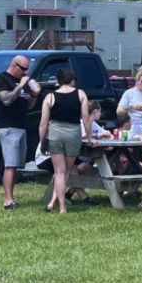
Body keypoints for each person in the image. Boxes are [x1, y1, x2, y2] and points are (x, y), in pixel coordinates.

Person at [38, 68, 96, 214]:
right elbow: (86, 118)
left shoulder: (50, 97)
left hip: (55, 132)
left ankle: (57, 204)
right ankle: (58, 205)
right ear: (72, 79)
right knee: (67, 171)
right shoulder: (80, 94)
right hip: (72, 132)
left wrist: (42, 141)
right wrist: (90, 138)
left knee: (59, 171)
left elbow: (43, 123)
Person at [0, 55, 39, 210]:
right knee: (10, 164)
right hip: (7, 126)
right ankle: (8, 201)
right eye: (23, 69)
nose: (26, 73)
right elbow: (6, 100)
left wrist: (33, 95)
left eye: (27, 70)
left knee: (17, 165)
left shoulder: (21, 81)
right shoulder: (1, 79)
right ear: (14, 65)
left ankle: (11, 197)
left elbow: (29, 106)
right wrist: (20, 86)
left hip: (20, 126)